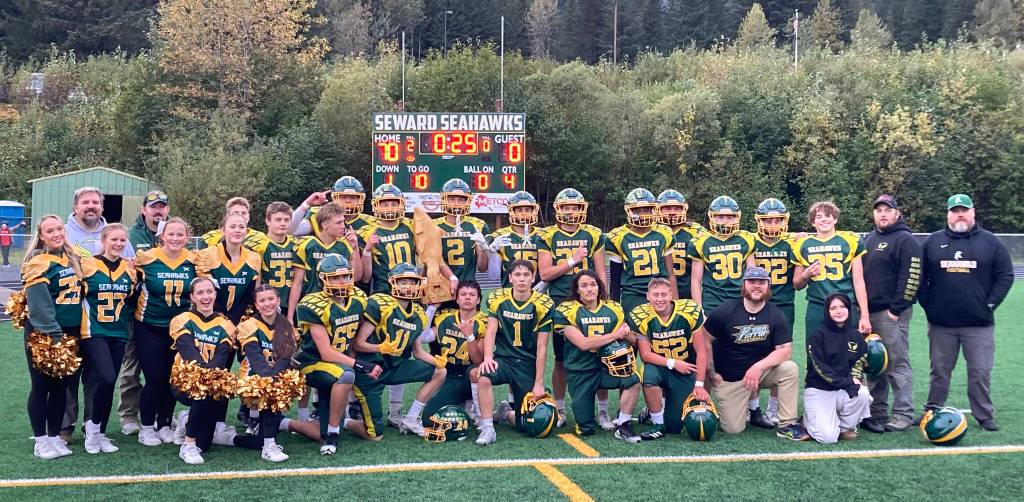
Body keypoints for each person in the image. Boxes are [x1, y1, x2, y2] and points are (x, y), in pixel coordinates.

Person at [917, 194, 1014, 432]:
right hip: (941, 324)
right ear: (948, 214)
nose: (960, 214)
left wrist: (989, 304)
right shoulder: (933, 242)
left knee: (980, 372)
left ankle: (984, 415)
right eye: (955, 211)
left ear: (973, 212)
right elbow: (919, 276)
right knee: (939, 371)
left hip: (978, 324)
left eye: (964, 210)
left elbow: (1006, 275)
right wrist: (929, 304)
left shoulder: (990, 242)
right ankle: (932, 410)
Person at [62, 187, 134, 443]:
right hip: (77, 321)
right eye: (85, 202)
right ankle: (64, 428)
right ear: (76, 206)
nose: (91, 206)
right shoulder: (65, 233)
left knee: (99, 378)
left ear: (102, 207)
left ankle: (93, 428)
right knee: (69, 375)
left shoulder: (121, 243)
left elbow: (132, 283)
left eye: (95, 202)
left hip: (111, 326)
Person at [703, 267, 808, 440]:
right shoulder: (726, 310)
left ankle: (787, 424)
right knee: (733, 429)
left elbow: (785, 350)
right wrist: (712, 373)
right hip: (731, 379)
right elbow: (703, 340)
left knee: (789, 369)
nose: (757, 286)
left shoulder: (775, 314)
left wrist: (758, 367)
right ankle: (738, 407)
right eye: (752, 282)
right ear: (744, 285)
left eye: (762, 282)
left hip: (759, 374)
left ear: (768, 286)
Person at [352, 263, 447, 439]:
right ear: (392, 282)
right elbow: (358, 344)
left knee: (440, 372)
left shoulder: (418, 312)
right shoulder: (380, 303)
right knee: (375, 436)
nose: (409, 286)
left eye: (412, 281)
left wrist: (437, 361)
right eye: (404, 282)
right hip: (371, 370)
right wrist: (380, 347)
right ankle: (345, 422)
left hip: (394, 367)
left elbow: (418, 352)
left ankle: (411, 418)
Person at [293, 254, 375, 454]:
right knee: (347, 375)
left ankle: (339, 421)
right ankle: (332, 432)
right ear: (322, 279)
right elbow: (326, 353)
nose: (342, 281)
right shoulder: (312, 304)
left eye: (345, 276)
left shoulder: (358, 298)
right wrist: (359, 364)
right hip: (313, 363)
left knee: (372, 433)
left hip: (339, 363)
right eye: (335, 277)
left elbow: (358, 334)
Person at [538, 188, 606, 427]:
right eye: (566, 207)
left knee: (598, 354)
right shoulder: (548, 235)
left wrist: (604, 299)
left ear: (581, 209)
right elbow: (545, 273)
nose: (570, 211)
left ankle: (603, 411)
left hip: (590, 301)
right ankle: (560, 408)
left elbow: (600, 273)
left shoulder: (593, 234)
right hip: (561, 301)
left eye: (574, 207)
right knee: (561, 359)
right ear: (558, 209)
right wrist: (572, 260)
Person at [553, 270, 642, 442]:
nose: (589, 289)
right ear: (577, 289)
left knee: (633, 380)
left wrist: (626, 333)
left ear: (599, 287)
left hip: (606, 369)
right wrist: (615, 334)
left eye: (593, 285)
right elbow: (583, 344)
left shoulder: (613, 308)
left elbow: (633, 340)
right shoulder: (567, 310)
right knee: (585, 429)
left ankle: (623, 424)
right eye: (584, 285)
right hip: (580, 371)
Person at [20, 215, 83, 459]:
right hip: (44, 332)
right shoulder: (38, 262)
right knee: (41, 386)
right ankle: (40, 440)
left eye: (59, 229)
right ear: (41, 236)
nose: (56, 234)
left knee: (60, 387)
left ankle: (54, 436)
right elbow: (39, 307)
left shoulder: (71, 258)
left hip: (69, 332)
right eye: (50, 231)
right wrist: (55, 336)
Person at [474, 260, 554, 445]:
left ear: (533, 278)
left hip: (526, 364)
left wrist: (539, 383)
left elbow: (542, 346)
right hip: (504, 359)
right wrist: (488, 357)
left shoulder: (543, 304)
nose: (522, 279)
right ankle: (487, 428)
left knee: (525, 425)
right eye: (517, 275)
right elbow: (491, 330)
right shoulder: (498, 298)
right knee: (484, 377)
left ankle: (506, 413)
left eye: (526, 275)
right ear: (510, 278)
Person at [134, 217, 197, 447]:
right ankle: (146, 427)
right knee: (155, 377)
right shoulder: (145, 258)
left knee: (173, 378)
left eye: (180, 234)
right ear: (162, 236)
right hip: (150, 325)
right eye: (171, 234)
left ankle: (165, 424)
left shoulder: (194, 260)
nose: (175, 238)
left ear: (187, 238)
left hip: (180, 329)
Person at [861, 194, 922, 434]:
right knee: (875, 363)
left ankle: (903, 414)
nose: (883, 214)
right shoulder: (869, 239)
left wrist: (895, 310)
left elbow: (912, 277)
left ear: (897, 214)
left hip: (890, 313)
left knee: (897, 363)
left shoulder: (906, 240)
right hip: (869, 313)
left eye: (888, 210)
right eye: (879, 210)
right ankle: (877, 412)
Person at [79, 224, 136, 454]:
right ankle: (92, 429)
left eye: (122, 240)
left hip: (119, 332)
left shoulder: (129, 269)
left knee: (109, 383)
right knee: (106, 376)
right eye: (114, 239)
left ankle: (100, 433)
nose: (118, 244)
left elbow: (131, 300)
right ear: (103, 240)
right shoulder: (87, 264)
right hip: (94, 331)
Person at [169, 277, 238, 465]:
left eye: (209, 291)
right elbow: (188, 352)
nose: (205, 296)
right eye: (200, 292)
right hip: (185, 382)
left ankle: (186, 420)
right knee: (203, 391)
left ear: (215, 294)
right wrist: (205, 376)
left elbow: (221, 358)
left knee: (205, 445)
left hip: (211, 382)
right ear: (192, 297)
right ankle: (188, 444)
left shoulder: (226, 325)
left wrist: (209, 377)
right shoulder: (182, 319)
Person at [629, 278, 707, 439]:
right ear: (648, 296)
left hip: (685, 369)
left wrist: (699, 385)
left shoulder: (689, 311)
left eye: (664, 294)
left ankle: (659, 410)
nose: (660, 299)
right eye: (655, 294)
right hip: (660, 366)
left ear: (671, 295)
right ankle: (657, 424)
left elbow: (701, 351)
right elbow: (645, 355)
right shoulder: (641, 315)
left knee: (675, 427)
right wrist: (673, 363)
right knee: (648, 374)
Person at [120, 190, 169, 435]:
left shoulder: (171, 232)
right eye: (153, 207)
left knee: (161, 368)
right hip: (134, 310)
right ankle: (129, 414)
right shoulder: (132, 235)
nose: (158, 211)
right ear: (144, 210)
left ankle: (161, 414)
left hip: (162, 312)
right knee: (132, 365)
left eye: (162, 207)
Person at [234, 284, 302, 462]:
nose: (267, 303)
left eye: (271, 299)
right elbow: (256, 358)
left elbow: (284, 359)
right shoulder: (248, 325)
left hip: (275, 375)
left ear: (278, 300)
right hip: (252, 378)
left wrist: (275, 379)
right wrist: (271, 381)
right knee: (271, 391)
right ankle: (269, 446)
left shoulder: (286, 326)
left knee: (259, 439)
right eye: (262, 300)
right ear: (256, 305)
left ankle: (230, 438)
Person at [750, 198, 799, 425]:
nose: (772, 224)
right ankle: (752, 406)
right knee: (752, 353)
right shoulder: (750, 242)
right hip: (757, 305)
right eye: (768, 220)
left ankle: (773, 407)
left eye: (777, 220)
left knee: (779, 357)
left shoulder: (791, 243)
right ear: (759, 221)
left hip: (783, 305)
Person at [792, 202, 871, 337]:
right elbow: (797, 284)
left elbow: (858, 281)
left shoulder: (850, 241)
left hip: (845, 304)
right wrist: (806, 275)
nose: (824, 219)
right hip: (818, 306)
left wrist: (865, 315)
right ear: (813, 222)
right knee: (816, 349)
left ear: (835, 219)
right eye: (819, 217)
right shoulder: (802, 245)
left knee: (849, 348)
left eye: (828, 216)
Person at [803, 294, 872, 444]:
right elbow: (821, 369)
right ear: (827, 311)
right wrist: (848, 382)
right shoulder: (817, 335)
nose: (839, 311)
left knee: (862, 393)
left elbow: (859, 364)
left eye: (842, 307)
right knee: (827, 438)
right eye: (833, 308)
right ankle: (809, 419)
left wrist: (863, 371)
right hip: (820, 390)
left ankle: (844, 428)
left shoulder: (856, 336)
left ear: (849, 309)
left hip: (842, 389)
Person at [421, 281, 486, 422]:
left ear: (478, 300)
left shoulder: (484, 321)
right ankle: (464, 404)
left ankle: (478, 412)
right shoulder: (445, 317)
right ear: (457, 299)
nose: (467, 297)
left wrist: (470, 336)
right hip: (449, 375)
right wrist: (432, 308)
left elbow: (478, 361)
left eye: (472, 295)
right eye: (463, 294)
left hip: (469, 375)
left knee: (431, 418)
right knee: (429, 417)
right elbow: (423, 337)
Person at [287, 202, 363, 321]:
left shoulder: (344, 246)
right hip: (313, 306)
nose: (343, 226)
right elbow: (297, 284)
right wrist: (290, 317)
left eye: (343, 222)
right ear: (324, 225)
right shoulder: (307, 245)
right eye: (338, 222)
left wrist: (355, 249)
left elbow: (356, 277)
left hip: (338, 306)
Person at [606, 188, 676, 315]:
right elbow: (615, 281)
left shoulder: (663, 233)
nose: (643, 214)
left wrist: (675, 302)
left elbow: (670, 273)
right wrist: (615, 311)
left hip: (659, 291)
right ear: (629, 211)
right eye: (638, 210)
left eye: (647, 210)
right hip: (633, 294)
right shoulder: (618, 237)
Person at [688, 195, 756, 314]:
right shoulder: (701, 241)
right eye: (720, 217)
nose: (725, 221)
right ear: (712, 217)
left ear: (737, 217)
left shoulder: (746, 239)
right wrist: (699, 310)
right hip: (712, 302)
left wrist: (752, 303)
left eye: (730, 217)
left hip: (740, 301)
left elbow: (752, 276)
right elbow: (696, 281)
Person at [435, 178, 490, 290]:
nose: (456, 203)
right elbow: (432, 262)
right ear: (444, 200)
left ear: (467, 201)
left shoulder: (477, 225)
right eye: (451, 199)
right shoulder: (433, 226)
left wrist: (484, 249)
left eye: (461, 199)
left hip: (468, 287)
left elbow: (482, 268)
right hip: (442, 288)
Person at [656, 190, 705, 300]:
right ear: (658, 209)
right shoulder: (653, 231)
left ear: (684, 209)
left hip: (689, 292)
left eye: (677, 208)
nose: (672, 212)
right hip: (659, 293)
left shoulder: (695, 231)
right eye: (667, 208)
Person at [290, 176, 375, 239]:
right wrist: (306, 204)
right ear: (334, 198)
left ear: (360, 199)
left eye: (353, 197)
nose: (348, 201)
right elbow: (291, 231)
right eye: (343, 197)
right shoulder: (320, 214)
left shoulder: (371, 222)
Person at [487, 191, 542, 288]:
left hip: (537, 292)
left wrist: (545, 282)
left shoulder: (544, 235)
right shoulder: (500, 236)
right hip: (509, 291)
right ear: (512, 211)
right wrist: (492, 253)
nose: (524, 213)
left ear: (534, 211)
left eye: (528, 210)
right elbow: (493, 275)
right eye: (519, 210)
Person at [249, 202, 298, 306]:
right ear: (268, 221)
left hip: (291, 302)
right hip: (267, 303)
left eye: (286, 220)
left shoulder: (297, 244)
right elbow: (256, 281)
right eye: (278, 220)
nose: (283, 223)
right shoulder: (258, 245)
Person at [197, 197, 267, 250]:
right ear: (227, 215)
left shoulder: (261, 238)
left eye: (244, 213)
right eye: (235, 213)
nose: (240, 216)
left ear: (248, 216)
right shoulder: (209, 238)